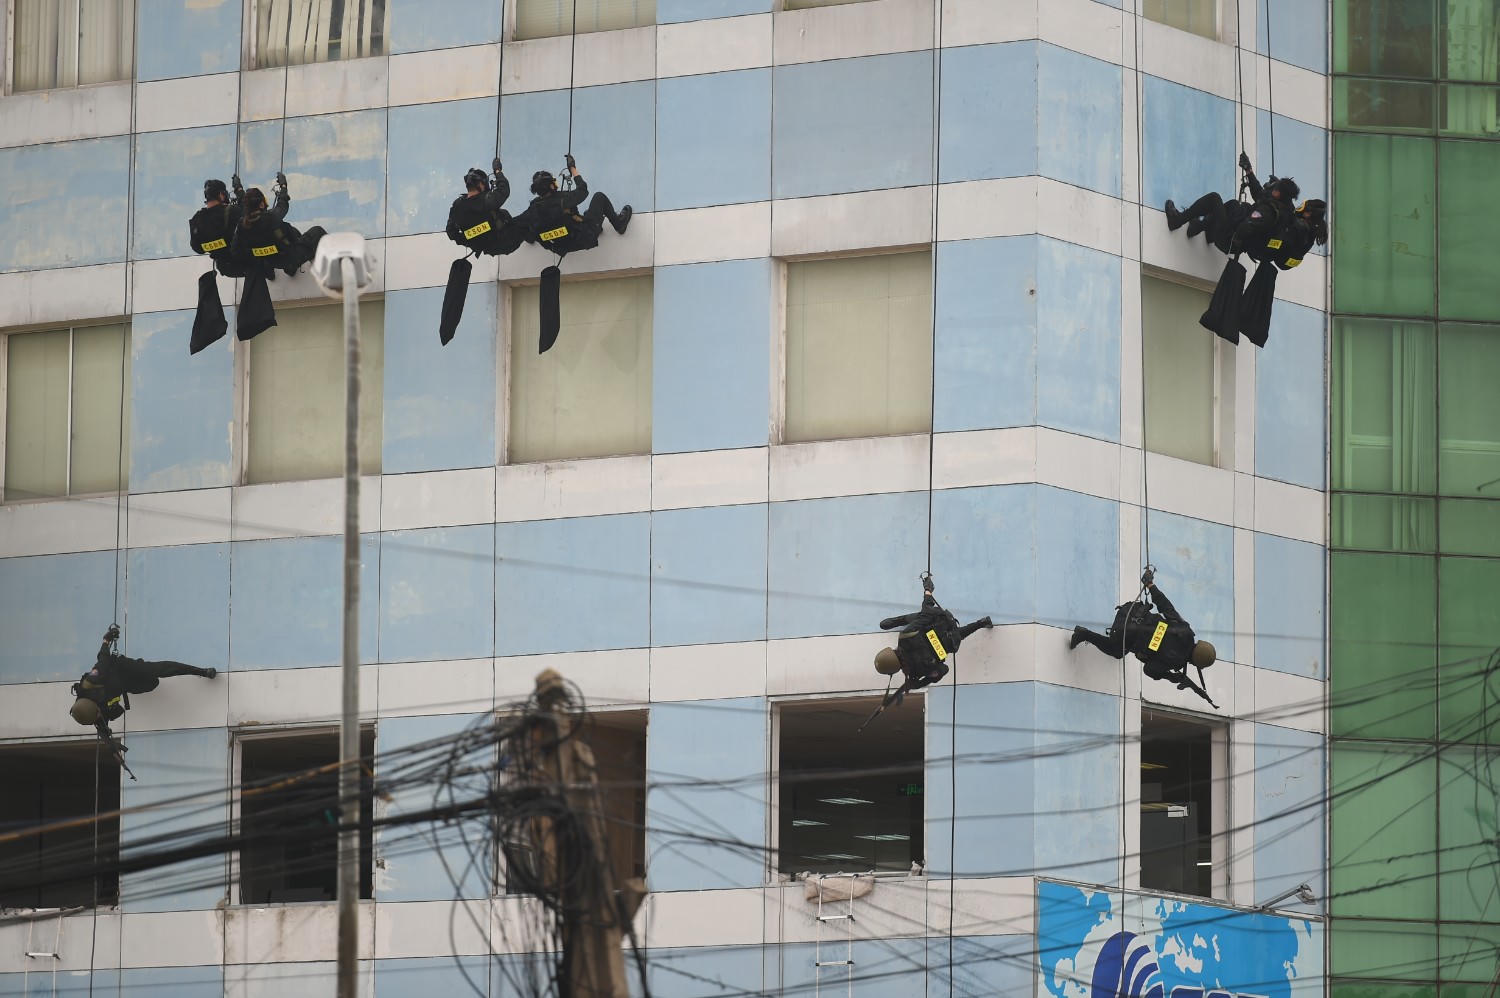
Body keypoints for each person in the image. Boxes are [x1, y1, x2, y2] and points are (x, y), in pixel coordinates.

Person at [69, 625, 218, 774]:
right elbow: (103, 732)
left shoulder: (92, 681)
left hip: (122, 668)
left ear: (94, 705)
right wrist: (116, 753)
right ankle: (151, 677)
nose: (99, 716)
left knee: (157, 670)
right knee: (152, 683)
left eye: (97, 714)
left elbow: (103, 658)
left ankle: (201, 671)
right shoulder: (90, 713)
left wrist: (106, 640)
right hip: (123, 685)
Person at [1069, 568, 1218, 708]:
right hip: (1126, 632)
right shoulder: (1176, 660)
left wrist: (1150, 585)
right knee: (1117, 652)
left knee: (1126, 641)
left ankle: (1085, 634)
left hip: (1131, 611)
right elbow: (1149, 670)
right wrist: (1170, 677)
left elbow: (1166, 607)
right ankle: (1084, 634)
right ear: (1196, 662)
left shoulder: (1185, 631)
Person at [873, 575, 992, 705]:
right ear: (890, 652)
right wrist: (928, 590)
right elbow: (926, 614)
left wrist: (920, 683)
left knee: (952, 637)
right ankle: (893, 622)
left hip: (953, 641)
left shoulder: (916, 672)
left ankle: (981, 623)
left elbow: (944, 670)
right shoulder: (905, 637)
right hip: (943, 619)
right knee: (919, 619)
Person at [517, 154, 632, 257]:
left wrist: (531, 237)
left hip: (562, 247)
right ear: (551, 186)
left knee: (585, 214)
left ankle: (596, 226)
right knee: (599, 197)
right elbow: (583, 190)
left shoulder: (534, 208)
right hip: (583, 238)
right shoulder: (562, 200)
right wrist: (572, 168)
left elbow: (522, 227)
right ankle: (619, 225)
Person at [229, 173, 326, 279]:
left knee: (291, 231)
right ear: (261, 204)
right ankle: (292, 267)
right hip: (287, 258)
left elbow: (235, 251)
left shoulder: (242, 225)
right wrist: (283, 186)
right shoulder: (272, 218)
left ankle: (277, 271)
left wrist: (238, 188)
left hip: (269, 262)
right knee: (317, 231)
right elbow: (282, 205)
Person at [446, 158, 526, 257]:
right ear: (480, 184)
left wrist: (470, 241)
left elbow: (451, 232)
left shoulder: (457, 206)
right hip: (504, 242)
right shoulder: (486, 201)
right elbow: (504, 190)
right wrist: (498, 171)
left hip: (487, 248)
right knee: (529, 217)